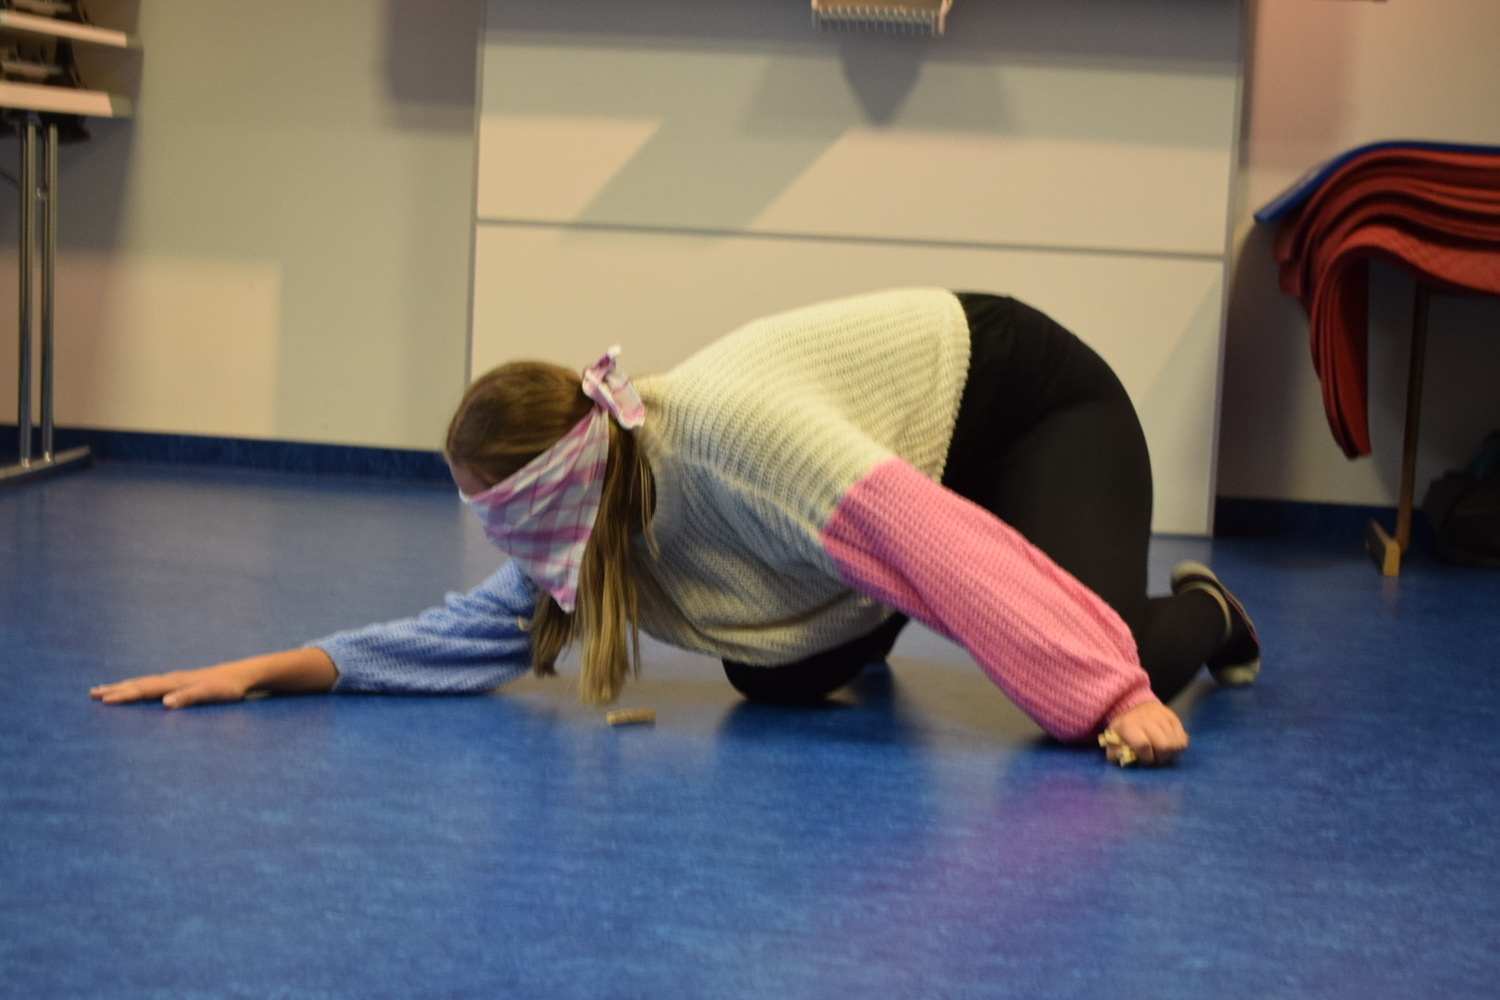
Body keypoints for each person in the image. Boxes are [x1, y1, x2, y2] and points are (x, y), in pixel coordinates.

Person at [91, 288, 1260, 767]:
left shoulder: (737, 442)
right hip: (894, 483)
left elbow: (939, 549)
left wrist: (1107, 690)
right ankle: (888, 611)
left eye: (502, 516)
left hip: (1022, 403)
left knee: (1097, 664)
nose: (502, 550)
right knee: (771, 677)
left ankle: (1205, 612)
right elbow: (456, 636)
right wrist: (263, 670)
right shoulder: (588, 517)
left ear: (552, 488)